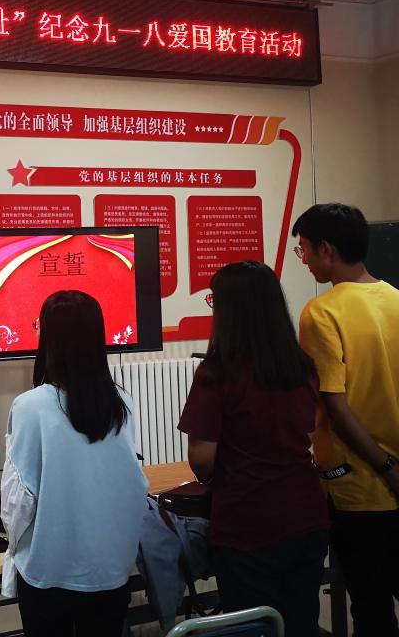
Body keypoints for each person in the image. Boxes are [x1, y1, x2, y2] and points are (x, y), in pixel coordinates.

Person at [177, 261, 329, 635]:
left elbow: (202, 459)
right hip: (307, 514)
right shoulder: (302, 366)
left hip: (247, 522)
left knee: (253, 625)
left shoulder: (218, 372)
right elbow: (307, 431)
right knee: (301, 621)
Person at [1, 290, 147, 637]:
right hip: (110, 571)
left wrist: (12, 549)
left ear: (51, 339)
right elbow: (133, 486)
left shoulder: (30, 406)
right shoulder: (121, 402)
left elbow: (19, 501)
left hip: (49, 573)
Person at [292, 202, 399, 636]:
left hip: (360, 486)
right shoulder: (396, 299)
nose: (303, 259)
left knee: (371, 608)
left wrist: (386, 467)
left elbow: (334, 405)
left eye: (304, 249)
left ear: (327, 250)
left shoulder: (321, 312)